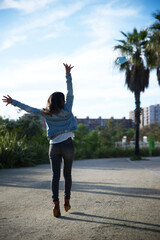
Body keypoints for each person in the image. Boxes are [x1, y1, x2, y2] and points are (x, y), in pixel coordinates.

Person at [2, 63, 78, 218]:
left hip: (54, 146)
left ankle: (55, 204)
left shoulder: (45, 113)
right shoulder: (67, 109)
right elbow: (70, 92)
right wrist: (68, 74)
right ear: (62, 101)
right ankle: (67, 201)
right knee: (67, 174)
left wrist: (13, 101)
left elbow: (28, 109)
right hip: (68, 145)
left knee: (54, 176)